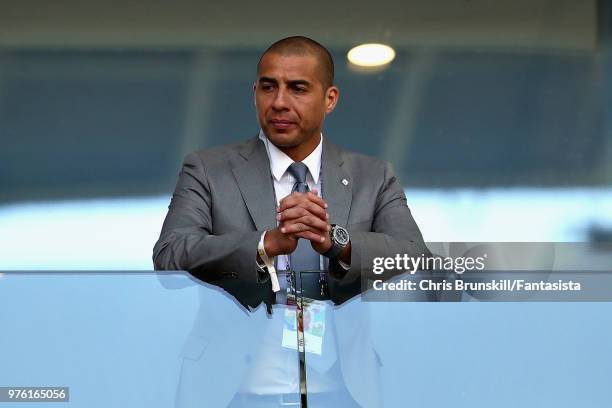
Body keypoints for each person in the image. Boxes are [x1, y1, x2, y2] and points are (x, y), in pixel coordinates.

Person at [153, 36, 430, 407]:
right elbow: (169, 256)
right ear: (255, 93)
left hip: (344, 393)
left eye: (297, 88)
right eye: (269, 87)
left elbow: (414, 259)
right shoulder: (208, 169)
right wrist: (263, 245)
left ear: (330, 99)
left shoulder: (373, 176)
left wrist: (338, 243)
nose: (280, 102)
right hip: (232, 393)